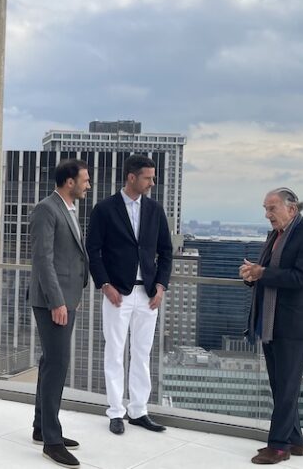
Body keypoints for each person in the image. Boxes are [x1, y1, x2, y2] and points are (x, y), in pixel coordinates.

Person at [86, 154, 172, 436]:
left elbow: (167, 252)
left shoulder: (156, 210)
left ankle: (138, 410)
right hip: (117, 294)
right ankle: (115, 412)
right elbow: (93, 251)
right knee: (114, 352)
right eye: (148, 177)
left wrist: (160, 286)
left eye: (153, 177)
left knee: (142, 353)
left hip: (148, 295)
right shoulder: (104, 209)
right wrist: (104, 285)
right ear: (131, 177)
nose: (152, 182)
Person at [239, 188, 303, 465]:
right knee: (280, 386)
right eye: (265, 208)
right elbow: (267, 273)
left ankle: (278, 447)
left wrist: (264, 273)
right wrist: (252, 275)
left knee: (287, 387)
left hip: (293, 325)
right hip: (270, 322)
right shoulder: (274, 236)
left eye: (272, 208)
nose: (267, 215)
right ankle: (295, 441)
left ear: (292, 209)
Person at [28, 159, 91, 468]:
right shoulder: (46, 209)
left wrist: (72, 295)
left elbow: (72, 257)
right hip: (51, 302)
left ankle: (41, 428)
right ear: (70, 182)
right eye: (85, 180)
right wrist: (57, 302)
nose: (88, 185)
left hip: (67, 298)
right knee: (58, 363)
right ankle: (52, 441)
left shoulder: (67, 210)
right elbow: (43, 260)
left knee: (49, 362)